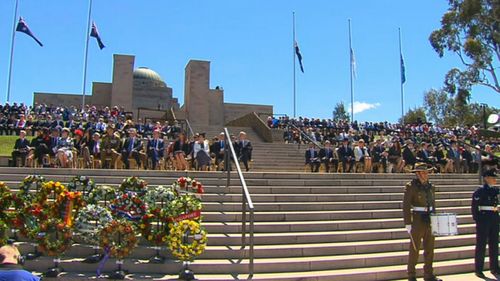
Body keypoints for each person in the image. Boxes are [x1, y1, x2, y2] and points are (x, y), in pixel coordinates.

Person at [402, 163, 442, 281]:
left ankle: (428, 274)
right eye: (423, 173)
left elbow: (433, 203)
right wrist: (408, 223)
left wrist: (435, 218)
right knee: (415, 249)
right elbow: (406, 206)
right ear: (418, 174)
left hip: (429, 218)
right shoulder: (411, 186)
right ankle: (411, 275)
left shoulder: (430, 186)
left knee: (429, 248)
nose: (426, 175)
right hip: (418, 219)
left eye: (427, 172)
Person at [471, 169, 499, 278]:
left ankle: (495, 267)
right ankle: (479, 269)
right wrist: (478, 220)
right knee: (481, 245)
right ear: (486, 178)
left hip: (494, 217)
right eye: (493, 178)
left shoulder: (495, 190)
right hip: (483, 218)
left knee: (494, 244)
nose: (495, 180)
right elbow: (474, 208)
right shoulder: (480, 191)